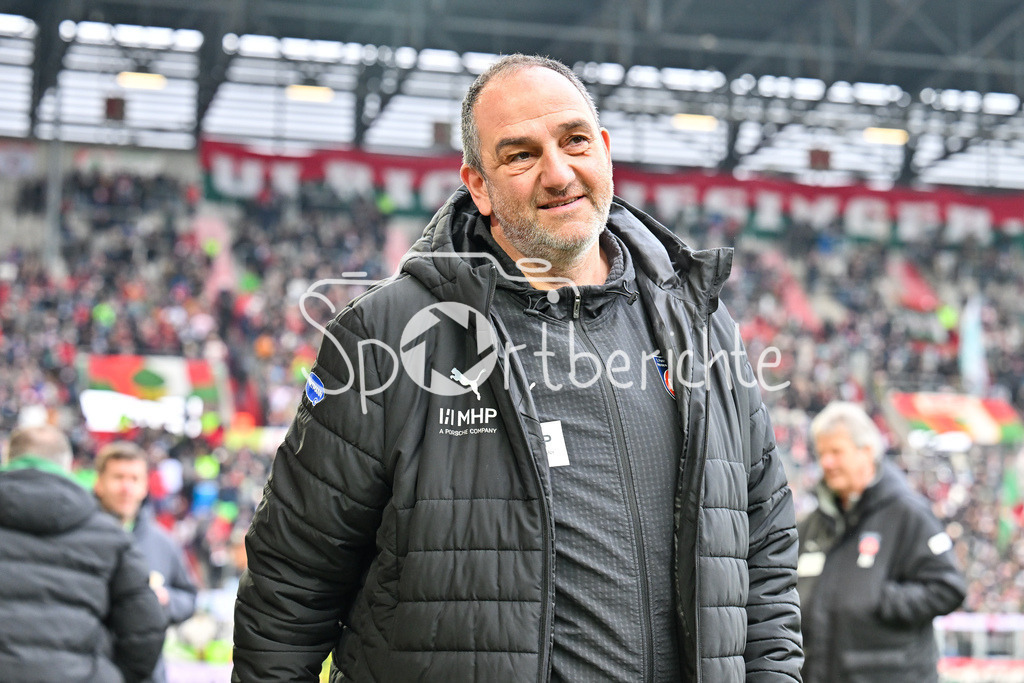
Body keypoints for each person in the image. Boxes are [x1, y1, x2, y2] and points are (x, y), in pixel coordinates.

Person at [233, 54, 802, 682]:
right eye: (521, 155)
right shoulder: (385, 336)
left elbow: (764, 553)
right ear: (478, 185)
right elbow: (289, 586)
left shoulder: (701, 325)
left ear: (604, 149)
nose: (558, 173)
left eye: (574, 140)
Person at [797, 402, 966, 683]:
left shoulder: (907, 514)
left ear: (867, 452)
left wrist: (881, 600)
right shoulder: (812, 525)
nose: (826, 462)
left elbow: (949, 587)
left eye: (836, 452)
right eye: (822, 453)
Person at [0, 424, 167, 682]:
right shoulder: (111, 537)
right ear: (68, 466)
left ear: (9, 460)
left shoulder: (112, 536)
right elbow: (145, 630)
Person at [94, 440, 198, 683]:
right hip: (92, 670)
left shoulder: (163, 542)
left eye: (134, 479)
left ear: (144, 487)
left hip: (147, 675)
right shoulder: (79, 537)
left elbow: (189, 598)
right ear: (99, 483)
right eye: (118, 477)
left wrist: (164, 600)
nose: (126, 487)